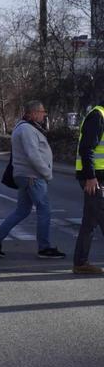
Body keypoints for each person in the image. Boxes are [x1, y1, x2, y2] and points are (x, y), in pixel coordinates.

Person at [0, 101, 64, 259]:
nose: (44, 114)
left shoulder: (27, 128)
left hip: (27, 176)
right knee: (44, 210)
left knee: (22, 210)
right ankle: (44, 247)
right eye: (42, 111)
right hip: (32, 176)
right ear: (33, 113)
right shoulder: (27, 129)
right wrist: (47, 173)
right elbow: (33, 155)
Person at [74, 101, 104, 274]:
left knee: (93, 220)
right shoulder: (97, 116)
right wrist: (90, 177)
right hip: (94, 178)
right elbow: (87, 148)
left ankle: (80, 261)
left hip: (98, 177)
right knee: (91, 222)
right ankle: (80, 262)